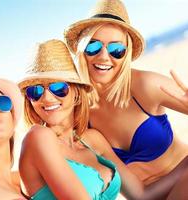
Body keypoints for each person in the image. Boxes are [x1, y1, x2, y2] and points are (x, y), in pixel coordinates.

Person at [18, 39, 188, 200]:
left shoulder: (93, 140)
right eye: (35, 91)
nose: (47, 98)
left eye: (58, 88)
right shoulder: (38, 137)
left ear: (77, 93)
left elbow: (141, 195)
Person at [64, 0, 188, 185]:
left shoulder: (146, 85)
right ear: (82, 50)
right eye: (93, 46)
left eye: (116, 49)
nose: (104, 56)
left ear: (127, 53)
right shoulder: (80, 114)